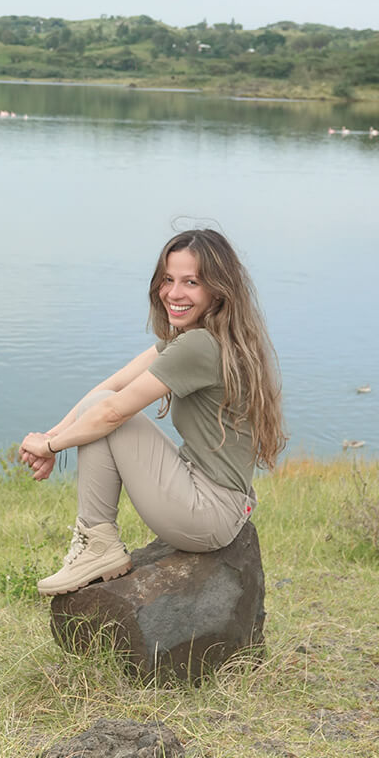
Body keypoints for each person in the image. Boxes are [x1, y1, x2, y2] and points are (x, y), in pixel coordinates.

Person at [19, 229, 286, 596]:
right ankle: (97, 543)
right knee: (100, 405)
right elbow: (110, 386)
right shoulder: (206, 336)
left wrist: (50, 449)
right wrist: (51, 435)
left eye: (191, 282)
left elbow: (111, 411)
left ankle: (97, 544)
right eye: (168, 280)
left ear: (218, 289)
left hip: (207, 512)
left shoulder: (199, 345)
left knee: (104, 415)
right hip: (220, 502)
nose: (174, 293)